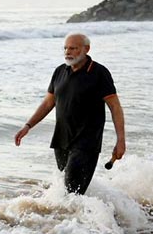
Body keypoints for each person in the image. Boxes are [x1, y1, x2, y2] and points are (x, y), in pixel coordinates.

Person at [14, 32, 125, 195]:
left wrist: (120, 140)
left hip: (87, 141)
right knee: (67, 189)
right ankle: (81, 217)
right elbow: (47, 103)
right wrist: (28, 126)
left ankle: (80, 219)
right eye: (65, 48)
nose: (68, 52)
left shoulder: (99, 73)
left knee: (72, 191)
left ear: (86, 49)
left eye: (73, 48)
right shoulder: (60, 71)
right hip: (62, 139)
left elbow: (115, 107)